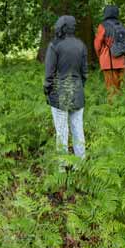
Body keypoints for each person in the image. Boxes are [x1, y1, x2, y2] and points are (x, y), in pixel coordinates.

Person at [44, 15, 89, 165]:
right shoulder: (81, 45)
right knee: (78, 130)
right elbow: (84, 74)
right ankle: (80, 166)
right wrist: (79, 87)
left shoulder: (55, 45)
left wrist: (48, 91)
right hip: (78, 91)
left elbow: (49, 74)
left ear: (61, 26)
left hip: (59, 93)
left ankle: (62, 169)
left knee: (62, 133)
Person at [93, 5, 125, 100]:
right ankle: (121, 107)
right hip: (121, 61)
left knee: (111, 89)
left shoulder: (103, 26)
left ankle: (112, 109)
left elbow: (97, 44)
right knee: (120, 87)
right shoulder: (120, 25)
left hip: (108, 62)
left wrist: (100, 56)